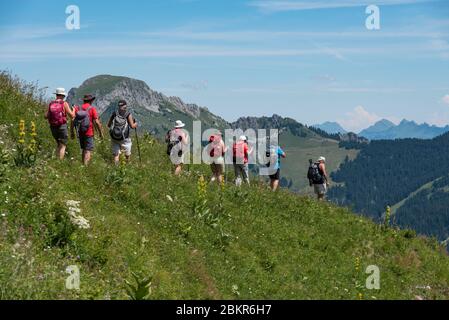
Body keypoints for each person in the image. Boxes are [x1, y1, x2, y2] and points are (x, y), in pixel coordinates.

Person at [71, 94, 104, 166]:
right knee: (88, 150)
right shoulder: (92, 109)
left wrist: (72, 132)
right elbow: (97, 122)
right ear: (91, 101)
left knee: (83, 149)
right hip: (89, 132)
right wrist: (100, 133)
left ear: (84, 100)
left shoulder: (78, 108)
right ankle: (85, 167)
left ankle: (83, 164)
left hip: (80, 132)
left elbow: (73, 119)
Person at [44, 88, 75, 160]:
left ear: (56, 95)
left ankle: (56, 159)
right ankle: (59, 161)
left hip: (53, 126)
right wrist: (74, 110)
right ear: (63, 96)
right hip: (62, 126)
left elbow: (45, 116)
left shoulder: (51, 103)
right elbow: (72, 116)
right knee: (63, 145)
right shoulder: (64, 103)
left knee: (58, 144)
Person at [107, 100, 138, 165]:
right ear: (125, 105)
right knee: (127, 155)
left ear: (118, 105)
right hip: (124, 138)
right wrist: (136, 124)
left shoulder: (115, 113)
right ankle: (127, 167)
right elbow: (132, 126)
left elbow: (109, 125)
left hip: (114, 137)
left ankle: (116, 168)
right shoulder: (128, 114)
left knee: (116, 155)